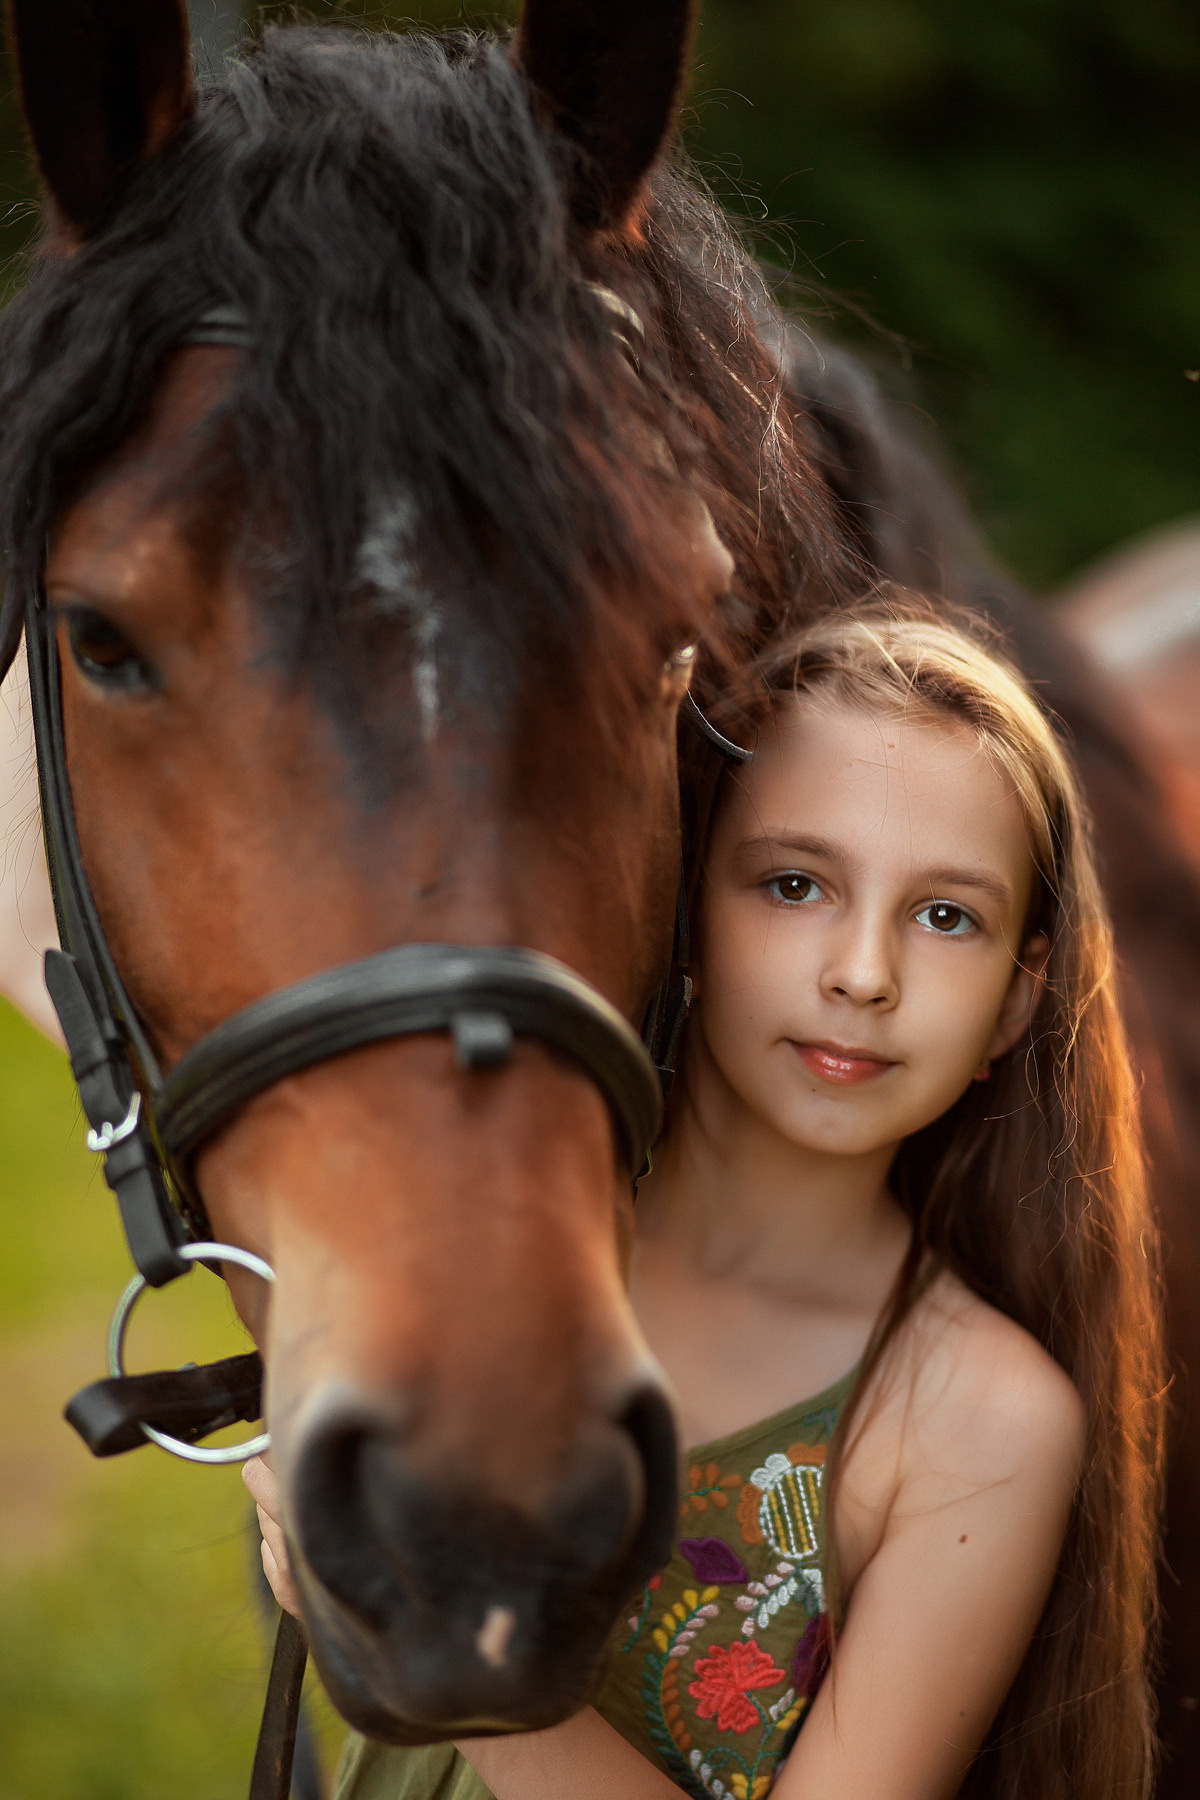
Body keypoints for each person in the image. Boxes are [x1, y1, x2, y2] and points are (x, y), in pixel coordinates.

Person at [247, 599, 1164, 1800]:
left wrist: (418, 1635)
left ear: (1013, 998)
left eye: (946, 917)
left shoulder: (978, 1422)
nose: (863, 973)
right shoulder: (489, 1247)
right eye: (794, 885)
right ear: (678, 906)